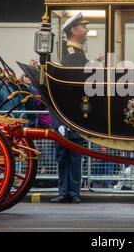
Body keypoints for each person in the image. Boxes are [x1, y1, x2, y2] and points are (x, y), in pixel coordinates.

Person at [51, 12, 90, 204]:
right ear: (74, 30)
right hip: (69, 115)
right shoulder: (72, 55)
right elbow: (69, 89)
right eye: (82, 26)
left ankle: (72, 191)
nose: (86, 29)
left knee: (74, 158)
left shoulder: (77, 52)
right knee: (64, 158)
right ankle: (65, 191)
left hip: (73, 115)